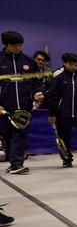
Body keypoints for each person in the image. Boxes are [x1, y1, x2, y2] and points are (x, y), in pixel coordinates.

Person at [0, 31, 44, 174]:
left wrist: (37, 92)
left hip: (24, 106)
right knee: (7, 136)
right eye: (14, 46)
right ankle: (13, 162)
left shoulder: (29, 61)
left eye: (20, 45)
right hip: (4, 106)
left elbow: (37, 80)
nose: (18, 48)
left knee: (20, 134)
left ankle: (17, 164)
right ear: (4, 44)